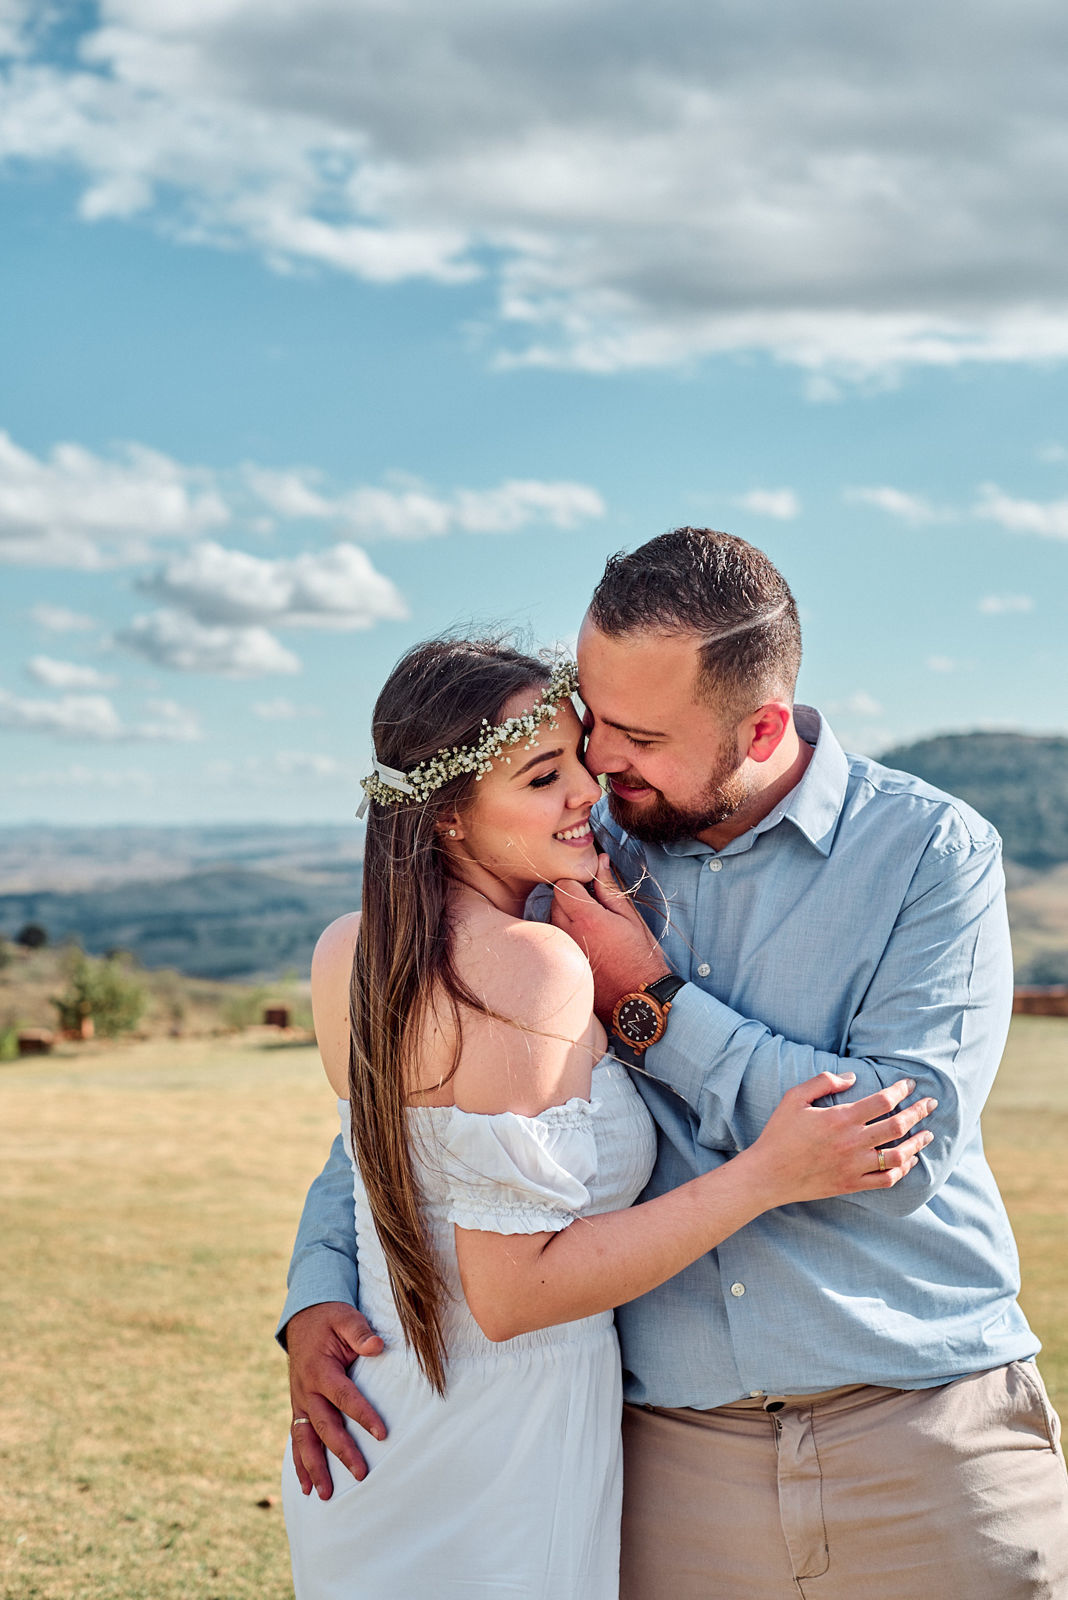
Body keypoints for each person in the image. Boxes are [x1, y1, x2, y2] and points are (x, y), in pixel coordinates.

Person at [281, 532, 1068, 1599]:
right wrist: (319, 1283)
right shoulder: (564, 844)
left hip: (922, 1431)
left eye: (638, 736)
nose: (601, 764)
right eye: (594, 722)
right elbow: (418, 1104)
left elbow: (899, 1141)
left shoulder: (932, 853)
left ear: (762, 726)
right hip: (664, 1460)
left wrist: (654, 1006)